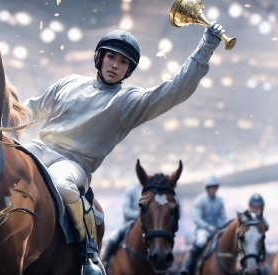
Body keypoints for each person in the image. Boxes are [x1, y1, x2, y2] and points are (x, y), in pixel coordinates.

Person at [22, 22, 225, 274]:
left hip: (74, 165)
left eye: (123, 62)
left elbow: (175, 90)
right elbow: (31, 108)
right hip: (38, 149)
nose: (115, 65)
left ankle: (88, 256)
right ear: (99, 57)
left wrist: (205, 47)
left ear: (128, 70)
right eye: (111, 57)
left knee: (62, 185)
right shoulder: (69, 83)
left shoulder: (127, 102)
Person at [179, 176, 227, 275]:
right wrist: (208, 227)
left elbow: (223, 217)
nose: (213, 189)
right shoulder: (200, 200)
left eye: (215, 187)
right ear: (207, 188)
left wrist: (223, 226)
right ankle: (186, 268)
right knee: (201, 242)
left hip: (217, 229)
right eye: (211, 187)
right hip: (203, 230)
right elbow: (196, 218)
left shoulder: (220, 201)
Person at [100, 183, 141, 267]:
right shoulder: (132, 190)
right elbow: (126, 211)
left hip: (147, 226)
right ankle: (105, 261)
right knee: (113, 238)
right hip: (129, 224)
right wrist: (142, 216)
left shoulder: (153, 191)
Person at [247, 193, 270, 275]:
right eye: (254, 207)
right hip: (247, 248)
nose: (255, 209)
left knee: (265, 269)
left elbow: (267, 227)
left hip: (259, 248)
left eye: (258, 207)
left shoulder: (261, 218)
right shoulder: (246, 217)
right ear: (250, 207)